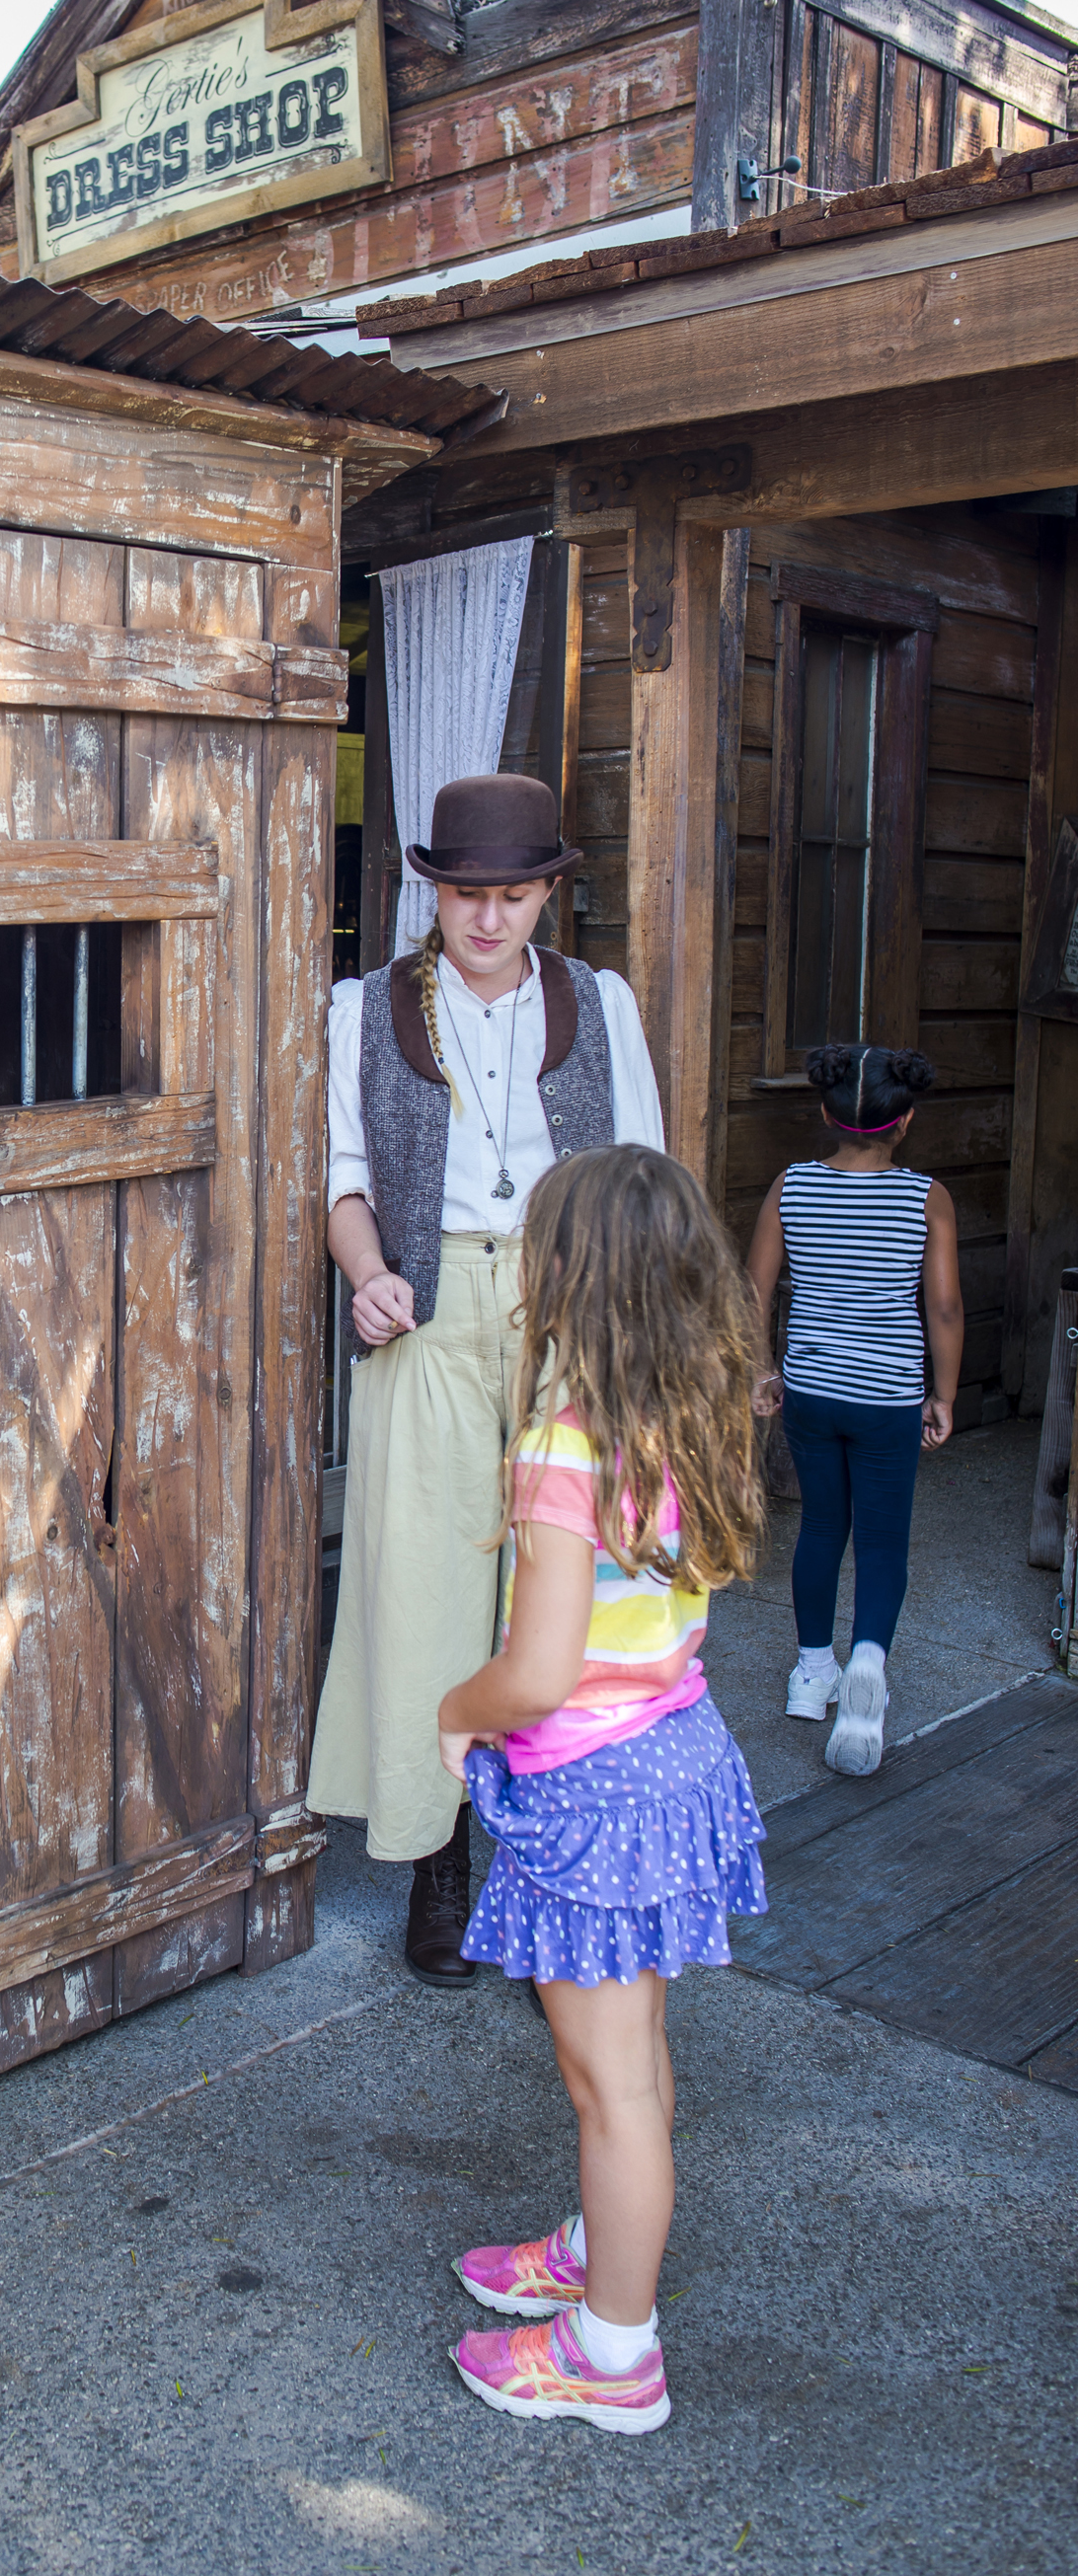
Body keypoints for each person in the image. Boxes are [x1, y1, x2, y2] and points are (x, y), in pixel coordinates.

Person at [308, 772, 663, 1982]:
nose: (488, 918)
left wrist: (631, 1339)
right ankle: (436, 1860)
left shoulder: (600, 1003)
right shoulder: (363, 1009)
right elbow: (343, 1180)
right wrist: (367, 1273)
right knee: (422, 1586)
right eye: (467, 893)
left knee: (559, 1587)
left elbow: (639, 1177)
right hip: (431, 1305)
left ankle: (544, 1868)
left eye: (513, 895)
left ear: (548, 893)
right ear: (433, 889)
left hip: (574, 1302)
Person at [438, 1145, 769, 2435]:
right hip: (676, 1759)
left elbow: (539, 1669)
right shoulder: (690, 1403)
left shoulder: (567, 1438)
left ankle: (613, 2353)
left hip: (593, 1791)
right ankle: (599, 2247)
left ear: (566, 1274)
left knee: (608, 2085)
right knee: (636, 2059)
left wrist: (455, 1714)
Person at [745, 1043, 962, 1779]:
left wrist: (763, 1370)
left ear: (823, 1114)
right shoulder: (926, 1197)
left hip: (811, 1390)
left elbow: (756, 1290)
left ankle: (812, 1673)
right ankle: (867, 1660)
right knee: (880, 1539)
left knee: (819, 1527)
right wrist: (944, 1395)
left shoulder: (792, 1186)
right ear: (905, 1123)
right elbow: (943, 1307)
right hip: (888, 1397)